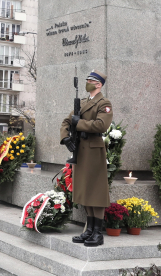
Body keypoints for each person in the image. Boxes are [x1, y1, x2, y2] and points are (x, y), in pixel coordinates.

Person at [60, 71, 113, 247]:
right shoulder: (82, 102)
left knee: (95, 192)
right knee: (84, 190)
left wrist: (79, 123)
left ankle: (97, 233)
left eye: (91, 81)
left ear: (99, 84)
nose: (87, 83)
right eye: (87, 80)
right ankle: (89, 230)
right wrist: (66, 137)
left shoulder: (104, 103)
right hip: (80, 151)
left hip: (94, 150)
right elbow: (66, 122)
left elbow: (101, 125)